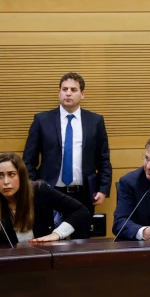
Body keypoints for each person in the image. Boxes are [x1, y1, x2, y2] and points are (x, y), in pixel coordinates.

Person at [23, 72, 112, 236]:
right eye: (64, 89)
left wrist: (103, 189)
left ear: (82, 94)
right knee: (48, 239)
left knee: (81, 243)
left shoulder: (95, 121)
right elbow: (28, 160)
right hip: (50, 191)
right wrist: (33, 188)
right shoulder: (42, 120)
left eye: (73, 89)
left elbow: (103, 159)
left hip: (83, 194)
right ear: (59, 93)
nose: (68, 93)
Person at [0, 153, 89, 246]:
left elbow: (81, 211)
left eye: (11, 174)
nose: (6, 182)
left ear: (21, 176)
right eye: (0, 176)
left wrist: (57, 234)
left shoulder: (40, 191)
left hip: (43, 263)